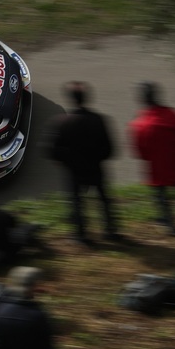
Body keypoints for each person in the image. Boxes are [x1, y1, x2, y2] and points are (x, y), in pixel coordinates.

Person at [48, 81, 120, 245]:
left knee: (77, 203)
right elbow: (109, 148)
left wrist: (68, 161)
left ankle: (81, 235)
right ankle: (110, 230)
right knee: (104, 201)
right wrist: (97, 159)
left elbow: (52, 151)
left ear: (71, 99)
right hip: (95, 168)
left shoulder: (61, 122)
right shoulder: (98, 119)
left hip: (74, 171)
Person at [129, 81, 175, 236]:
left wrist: (148, 156)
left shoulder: (140, 123)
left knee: (161, 196)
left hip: (156, 165)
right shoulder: (173, 114)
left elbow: (139, 150)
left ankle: (170, 225)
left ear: (141, 99)